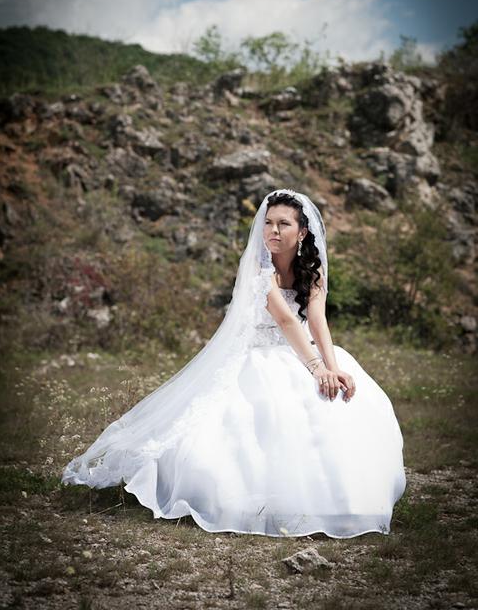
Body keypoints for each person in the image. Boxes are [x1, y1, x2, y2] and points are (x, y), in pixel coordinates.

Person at [62, 188, 406, 538]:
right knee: (270, 415)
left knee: (341, 403)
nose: (273, 230)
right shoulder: (259, 271)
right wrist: (317, 369)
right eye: (268, 223)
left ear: (302, 232)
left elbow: (317, 321)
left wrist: (333, 368)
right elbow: (286, 321)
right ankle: (261, 498)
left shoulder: (312, 273)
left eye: (283, 224)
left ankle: (337, 499)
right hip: (259, 354)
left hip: (302, 350)